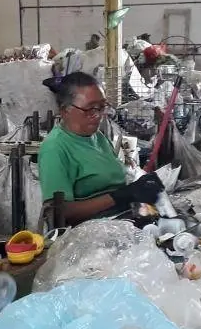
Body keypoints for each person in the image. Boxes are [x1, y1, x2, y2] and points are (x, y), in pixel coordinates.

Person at [37, 72, 163, 224]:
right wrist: (120, 196)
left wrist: (139, 187)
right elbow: (59, 213)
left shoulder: (97, 136)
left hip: (120, 219)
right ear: (65, 111)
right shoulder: (55, 148)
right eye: (90, 109)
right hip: (89, 231)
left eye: (102, 107)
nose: (98, 115)